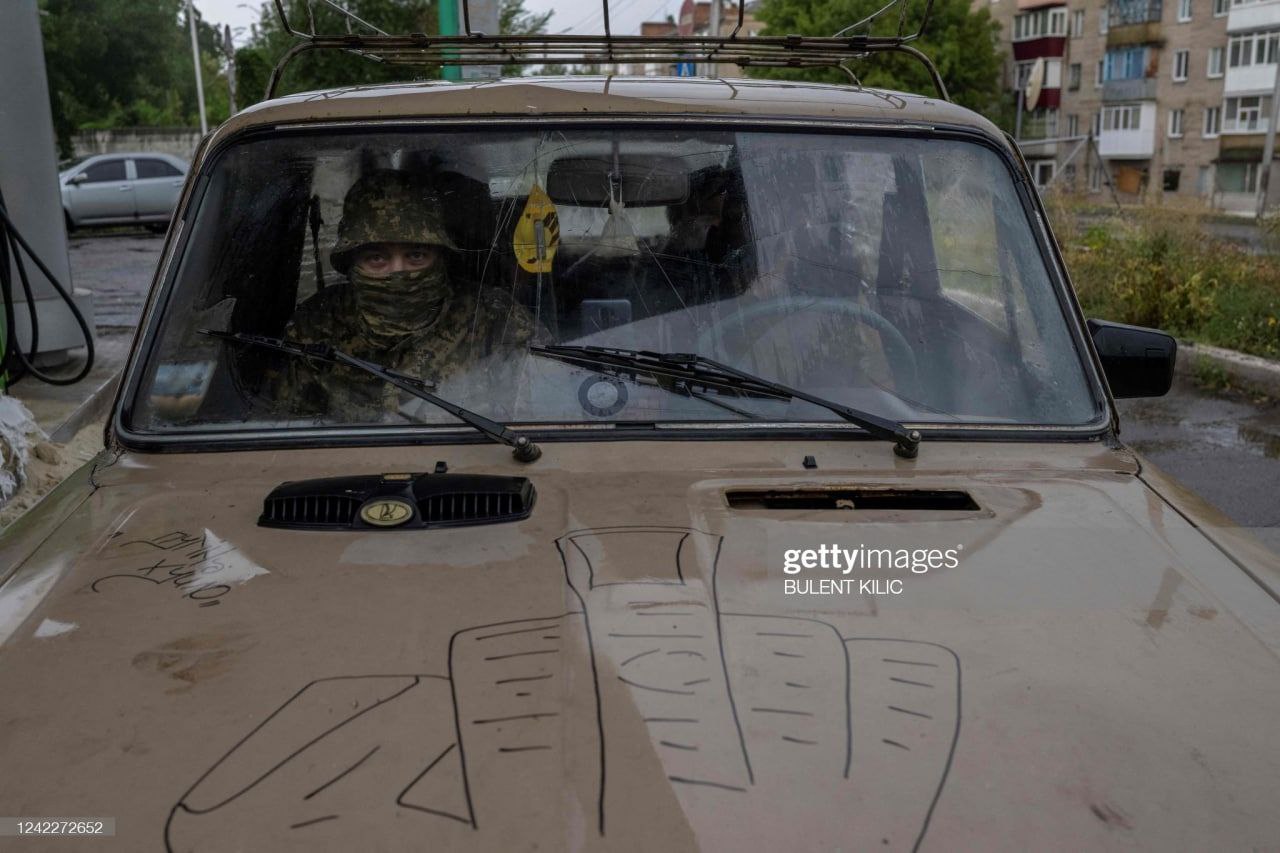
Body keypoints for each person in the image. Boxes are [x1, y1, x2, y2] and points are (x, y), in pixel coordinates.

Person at [270, 169, 539, 421]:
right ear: (352, 262)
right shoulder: (315, 327)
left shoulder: (496, 320)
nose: (398, 272)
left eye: (416, 255)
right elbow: (284, 432)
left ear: (440, 258)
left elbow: (537, 416)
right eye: (377, 258)